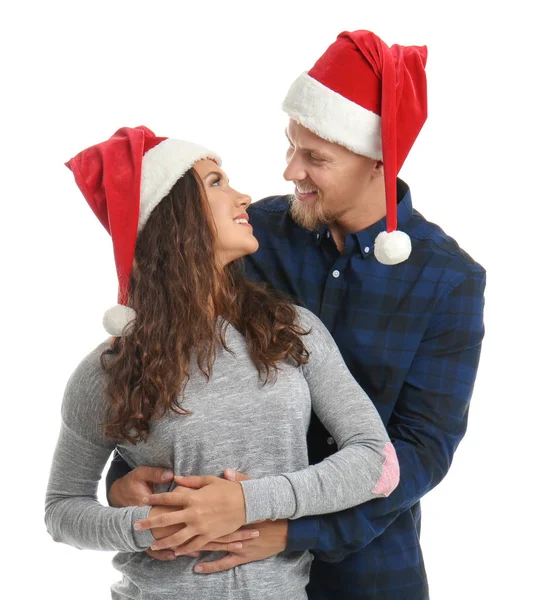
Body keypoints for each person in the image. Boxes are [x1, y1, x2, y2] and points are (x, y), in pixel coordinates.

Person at [107, 30, 486, 599]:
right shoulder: (251, 237)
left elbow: (423, 447)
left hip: (366, 569)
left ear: (379, 159)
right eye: (290, 146)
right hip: (217, 565)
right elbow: (164, 357)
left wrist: (290, 529)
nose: (290, 171)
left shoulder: (449, 278)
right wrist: (125, 482)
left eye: (316, 157)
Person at [44, 125, 399, 600]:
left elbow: (376, 462)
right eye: (217, 183)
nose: (243, 196)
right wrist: (152, 527)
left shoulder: (294, 330)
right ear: (174, 217)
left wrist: (247, 503)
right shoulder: (108, 369)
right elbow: (62, 509)